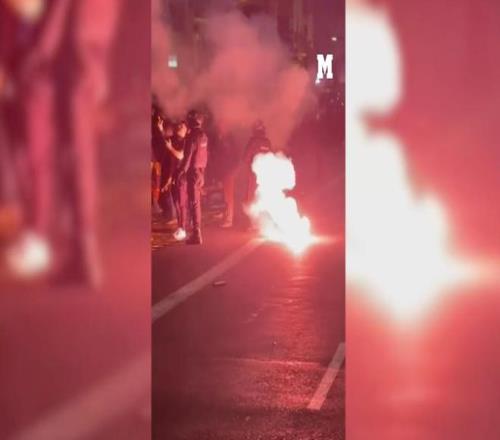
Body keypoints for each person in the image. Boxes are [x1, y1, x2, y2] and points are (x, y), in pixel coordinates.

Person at [178, 110, 208, 245]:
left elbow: (188, 155)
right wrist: (203, 173)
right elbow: (205, 155)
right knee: (196, 203)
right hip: (200, 172)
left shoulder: (192, 136)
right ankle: (196, 232)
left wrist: (182, 171)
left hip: (193, 172)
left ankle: (196, 234)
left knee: (194, 203)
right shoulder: (204, 135)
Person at [243, 119, 272, 204]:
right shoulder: (267, 142)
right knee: (264, 197)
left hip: (254, 175)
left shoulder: (253, 141)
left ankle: (252, 212)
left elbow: (245, 158)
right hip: (266, 175)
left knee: (252, 198)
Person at [168, 120, 188, 241]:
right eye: (179, 125)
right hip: (176, 176)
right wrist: (170, 177)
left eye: (182, 126)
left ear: (186, 129)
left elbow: (180, 155)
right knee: (176, 203)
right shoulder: (176, 140)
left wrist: (170, 148)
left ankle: (183, 228)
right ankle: (180, 226)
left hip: (183, 177)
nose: (179, 127)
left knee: (181, 203)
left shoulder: (186, 141)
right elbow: (172, 161)